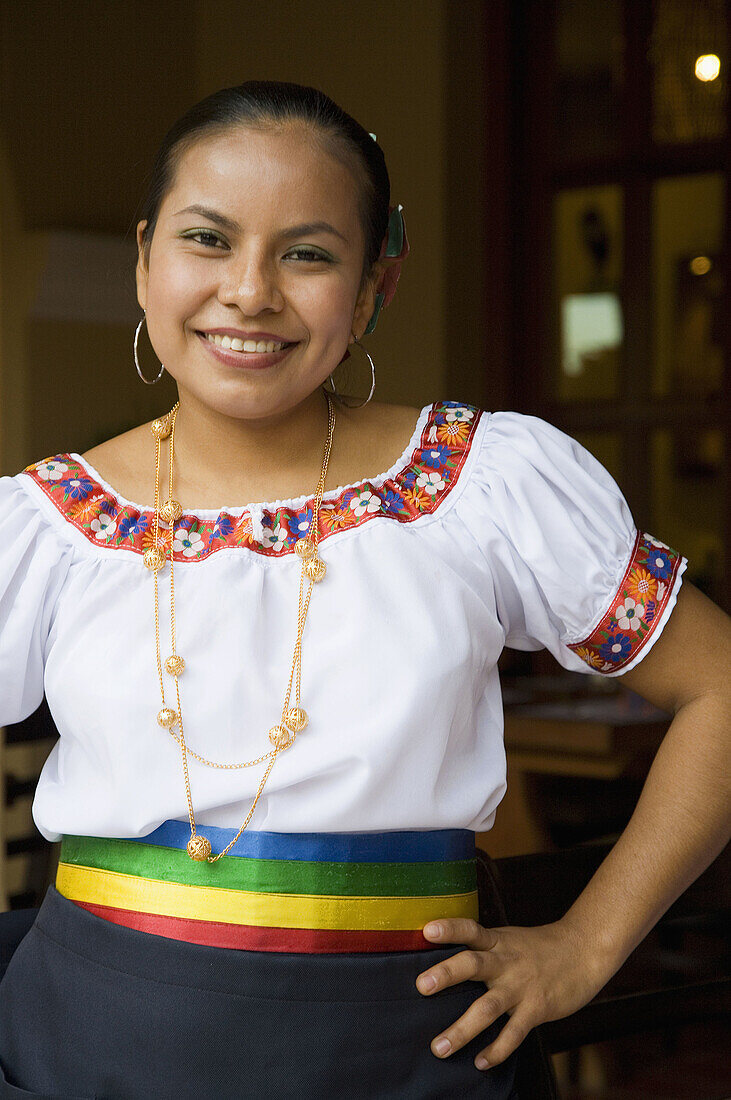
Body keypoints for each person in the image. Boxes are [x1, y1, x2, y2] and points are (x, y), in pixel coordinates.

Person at [0, 79, 728, 1099]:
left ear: (374, 286)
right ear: (143, 261)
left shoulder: (480, 483)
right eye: (206, 239)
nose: (249, 291)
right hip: (88, 1040)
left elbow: (719, 689)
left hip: (406, 1047)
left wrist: (584, 942)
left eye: (306, 253)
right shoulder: (42, 525)